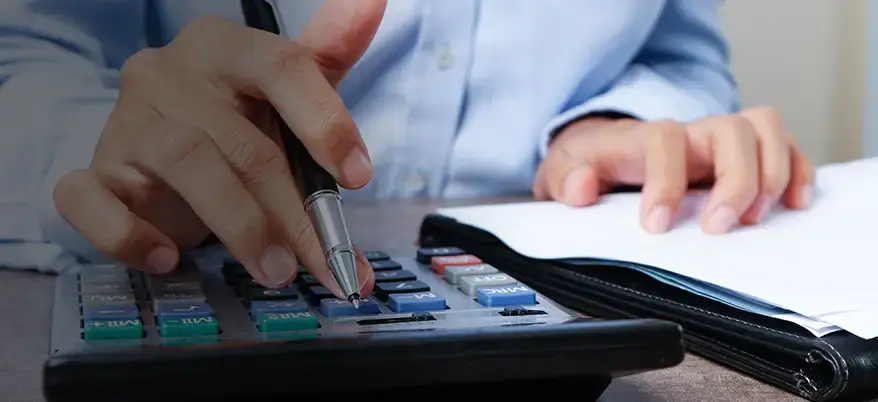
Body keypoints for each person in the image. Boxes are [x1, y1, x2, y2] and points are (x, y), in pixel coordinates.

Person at [0, 0, 813, 297]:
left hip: (561, 269)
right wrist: (112, 164)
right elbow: (24, 51)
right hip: (197, 275)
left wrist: (611, 125)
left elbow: (679, 54)